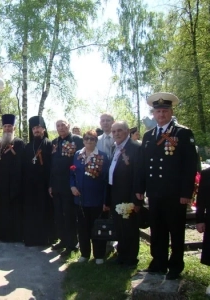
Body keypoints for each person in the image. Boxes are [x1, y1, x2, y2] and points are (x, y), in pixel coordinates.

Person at [135, 92, 197, 280]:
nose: (161, 115)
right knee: (157, 230)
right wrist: (140, 188)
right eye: (158, 111)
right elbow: (143, 165)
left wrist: (187, 192)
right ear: (153, 114)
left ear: (171, 112)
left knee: (176, 231)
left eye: (165, 111)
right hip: (154, 193)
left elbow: (190, 165)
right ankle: (158, 262)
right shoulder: (148, 136)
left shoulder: (182, 133)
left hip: (175, 193)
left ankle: (175, 266)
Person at [104, 121, 141, 267]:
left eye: (119, 130)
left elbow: (138, 175)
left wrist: (136, 201)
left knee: (130, 228)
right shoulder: (115, 147)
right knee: (119, 227)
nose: (116, 134)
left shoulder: (135, 148)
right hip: (116, 194)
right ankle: (122, 255)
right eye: (113, 132)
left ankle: (131, 259)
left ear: (127, 131)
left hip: (128, 195)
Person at [70, 130, 109, 264]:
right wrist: (72, 186)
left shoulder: (102, 156)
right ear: (83, 140)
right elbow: (72, 172)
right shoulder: (77, 155)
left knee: (98, 228)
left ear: (96, 141)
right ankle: (85, 254)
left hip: (96, 200)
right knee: (82, 229)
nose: (89, 141)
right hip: (80, 200)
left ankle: (99, 255)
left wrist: (105, 200)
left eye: (92, 139)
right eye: (86, 139)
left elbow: (106, 180)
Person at [49, 119, 83, 257]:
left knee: (69, 215)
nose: (61, 128)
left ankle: (72, 244)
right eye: (58, 126)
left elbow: (80, 163)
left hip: (70, 185)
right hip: (56, 185)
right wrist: (50, 184)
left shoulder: (77, 140)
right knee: (59, 215)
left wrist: (75, 184)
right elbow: (52, 165)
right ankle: (63, 240)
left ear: (68, 126)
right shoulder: (54, 142)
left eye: (63, 125)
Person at [23, 116, 55, 246]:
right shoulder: (28, 146)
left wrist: (50, 184)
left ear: (43, 129)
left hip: (45, 185)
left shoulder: (49, 144)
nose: (36, 130)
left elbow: (53, 166)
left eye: (38, 128)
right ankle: (32, 237)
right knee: (31, 211)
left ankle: (46, 238)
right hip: (30, 186)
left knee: (45, 210)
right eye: (34, 128)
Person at [0, 114, 25, 242]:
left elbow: (21, 163)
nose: (7, 129)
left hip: (14, 182)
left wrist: (17, 183)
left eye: (10, 126)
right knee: (1, 208)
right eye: (5, 126)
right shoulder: (0, 143)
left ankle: (13, 235)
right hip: (1, 183)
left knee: (13, 209)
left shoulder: (19, 143)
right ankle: (0, 234)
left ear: (14, 128)